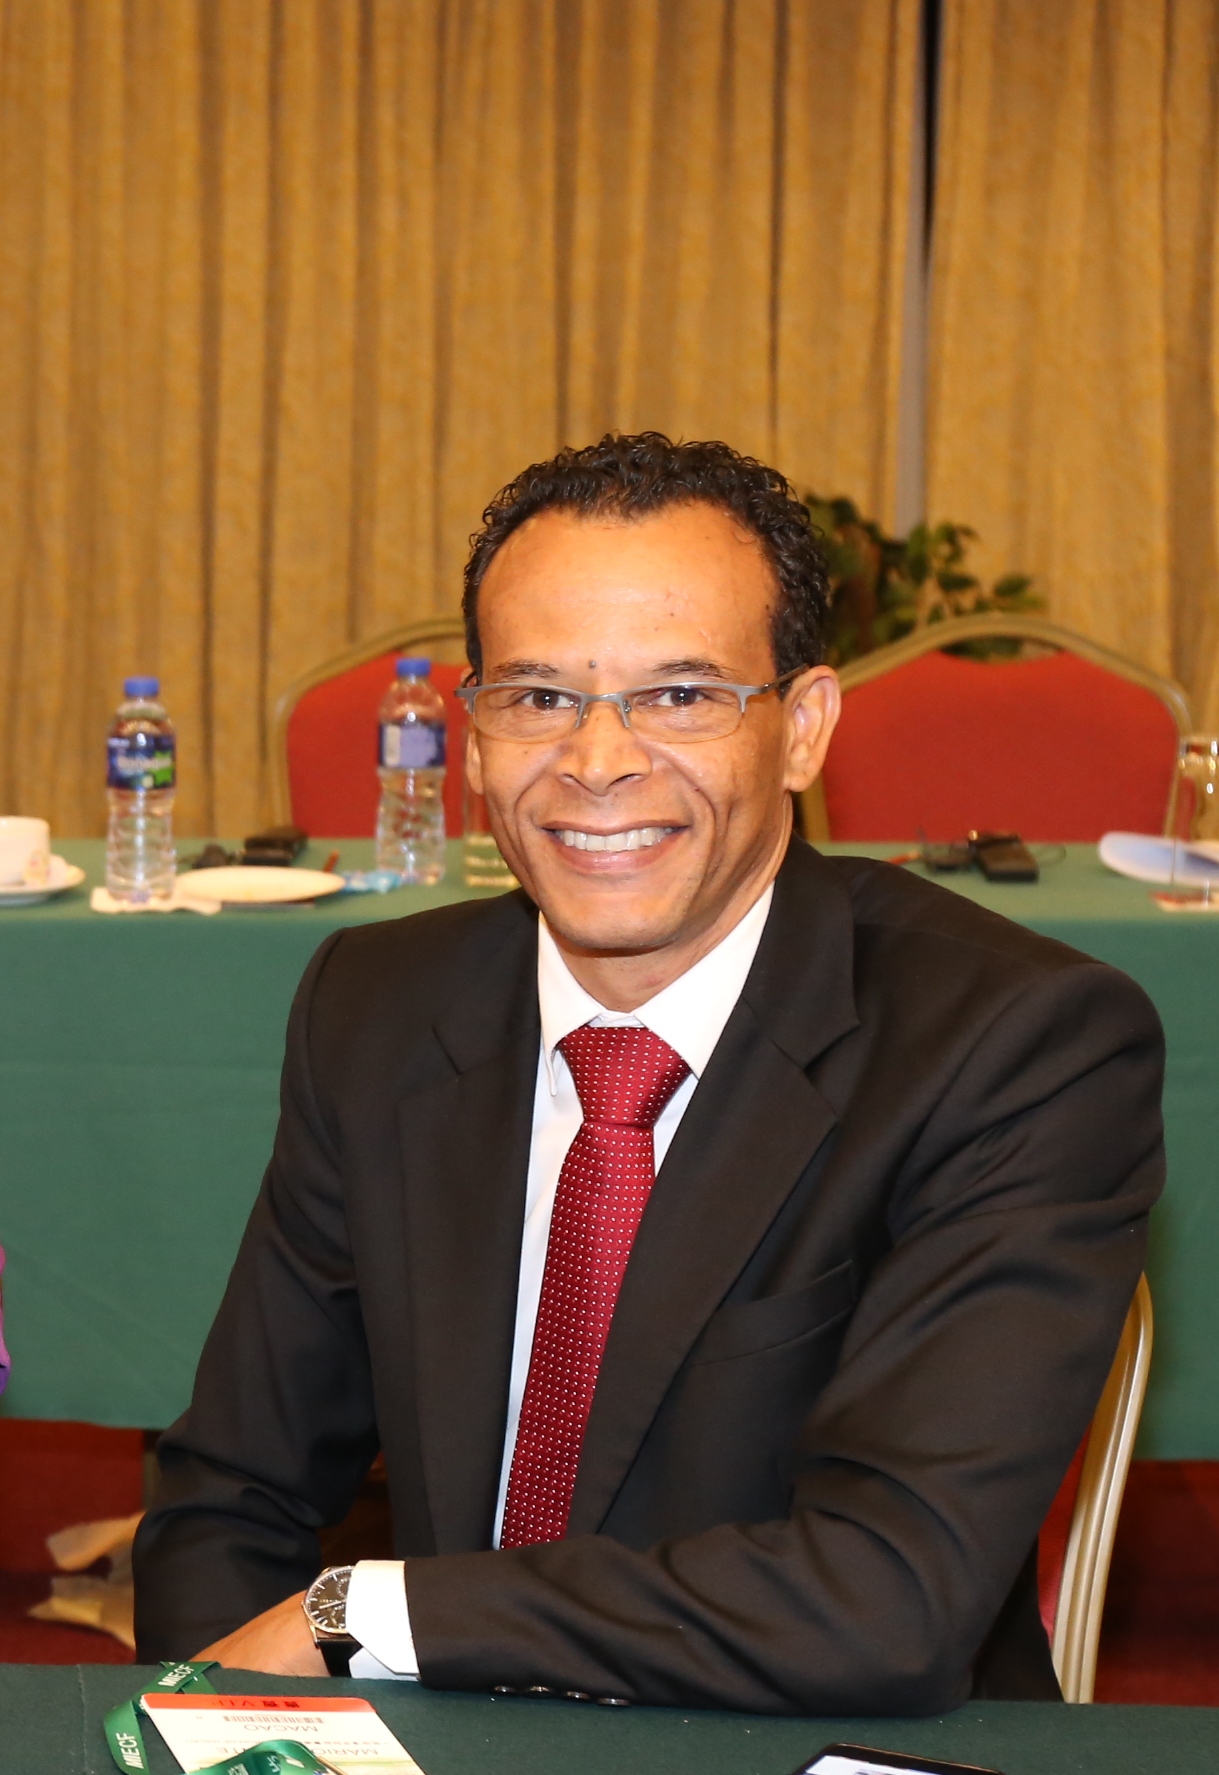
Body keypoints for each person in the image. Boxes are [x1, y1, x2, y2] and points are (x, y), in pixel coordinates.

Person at [133, 433, 1164, 1715]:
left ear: (803, 727)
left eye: (679, 694)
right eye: (537, 696)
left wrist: (369, 1613)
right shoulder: (381, 1007)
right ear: (471, 735)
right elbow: (231, 1492)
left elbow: (885, 1598)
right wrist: (235, 1734)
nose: (597, 759)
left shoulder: (1013, 1044)